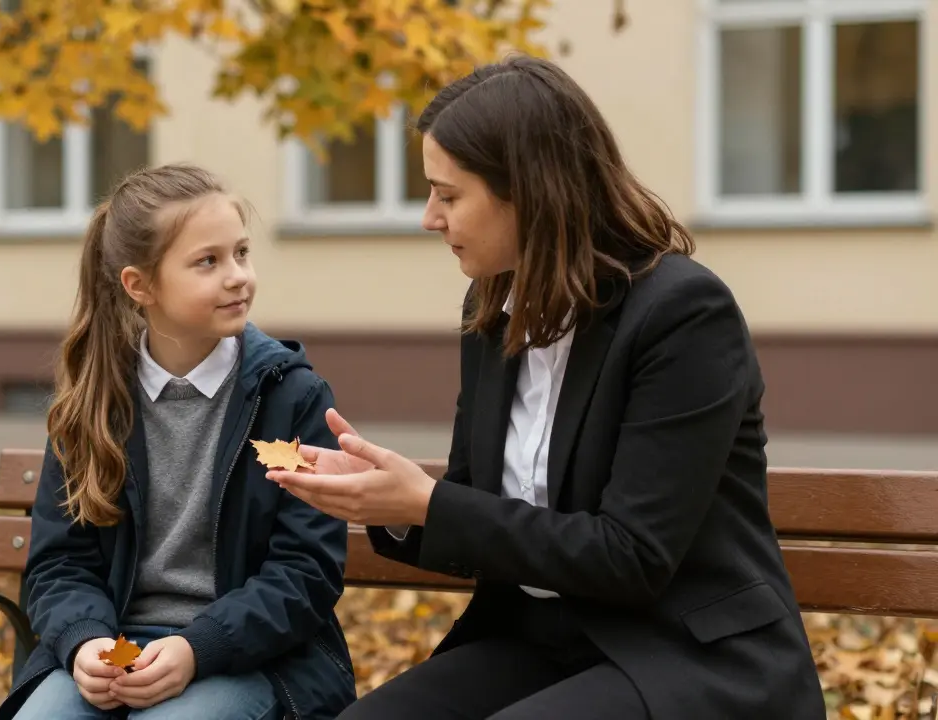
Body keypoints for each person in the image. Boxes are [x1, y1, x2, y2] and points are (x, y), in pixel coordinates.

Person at [265, 55, 825, 719]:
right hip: (544, 642)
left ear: (527, 192)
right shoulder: (491, 307)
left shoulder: (683, 315)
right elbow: (475, 504)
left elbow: (632, 557)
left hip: (686, 653)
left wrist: (428, 503)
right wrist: (384, 500)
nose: (429, 218)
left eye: (449, 196)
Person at [0, 163, 357, 720]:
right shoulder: (94, 401)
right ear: (139, 285)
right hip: (117, 646)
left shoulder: (291, 397)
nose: (237, 276)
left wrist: (196, 649)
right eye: (208, 261)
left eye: (241, 253)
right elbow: (59, 564)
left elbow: (305, 571)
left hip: (249, 657)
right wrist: (86, 643)